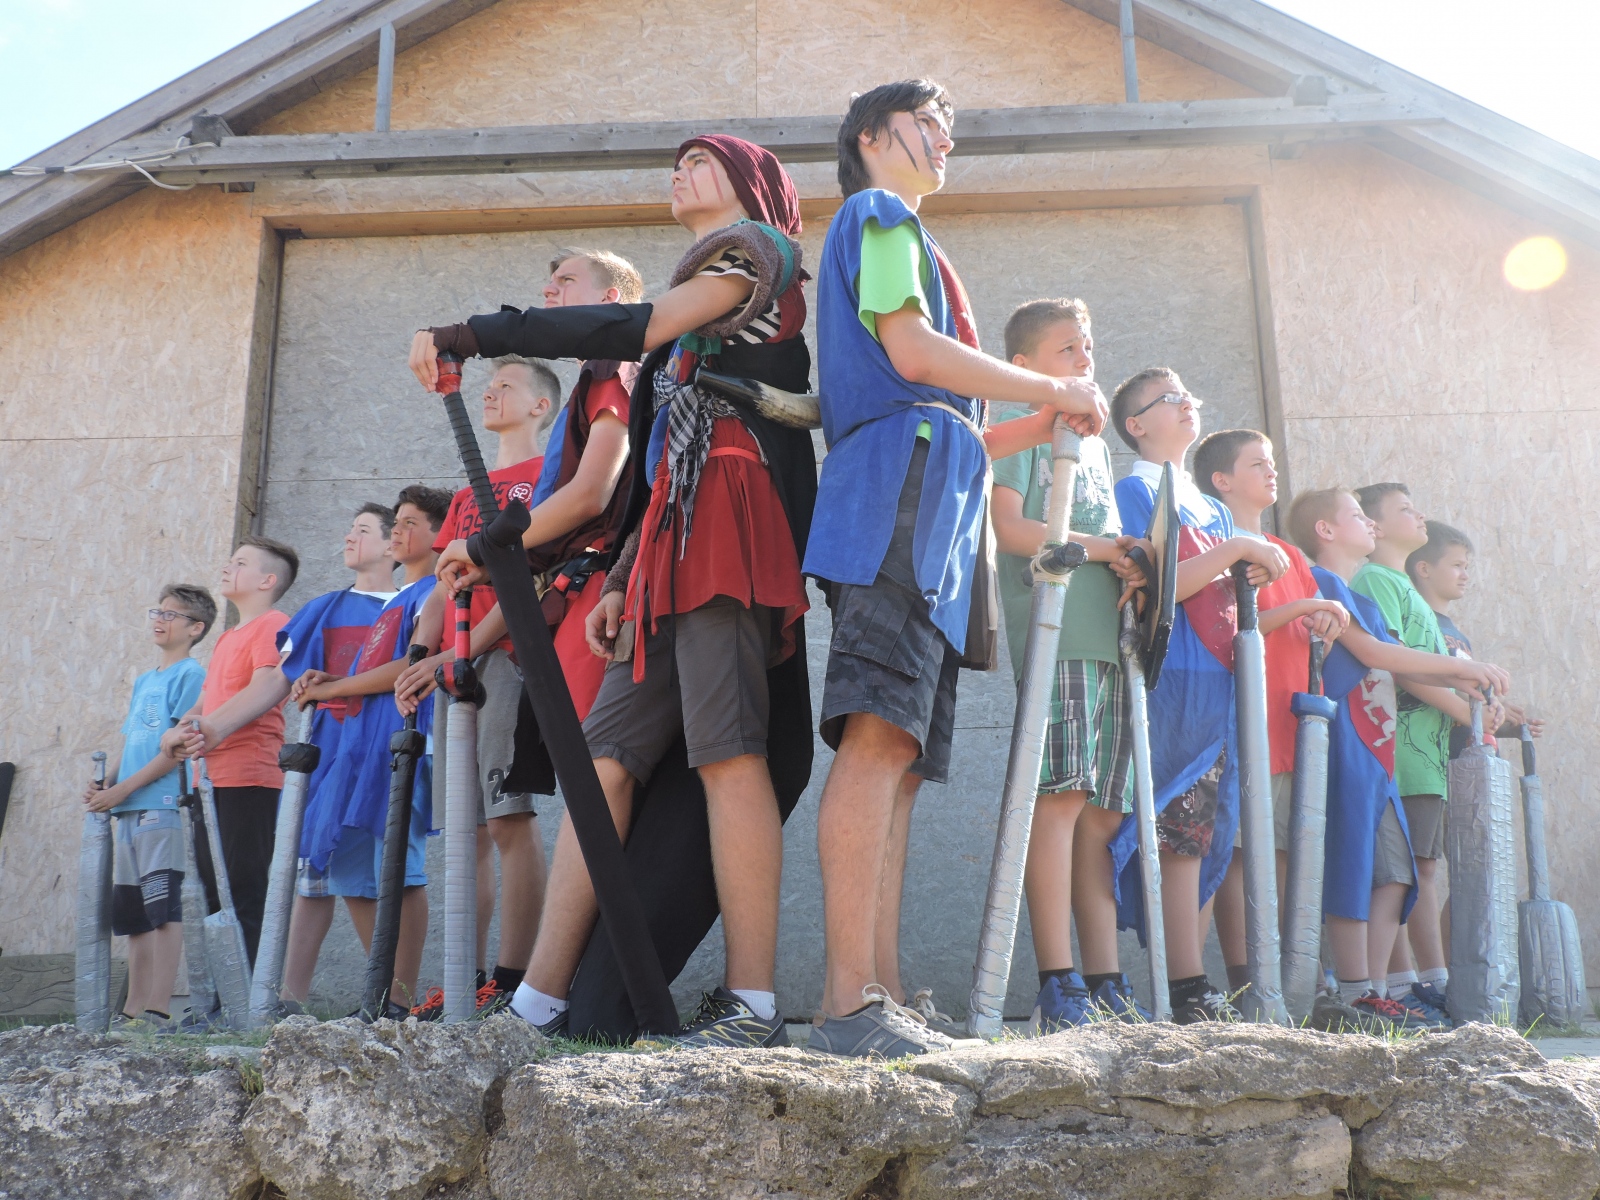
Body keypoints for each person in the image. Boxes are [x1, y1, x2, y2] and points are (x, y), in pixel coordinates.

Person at [410, 134, 820, 1048]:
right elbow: (657, 464)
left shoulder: (757, 252)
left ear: (754, 186)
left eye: (702, 161)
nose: (680, 171)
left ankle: (753, 1006)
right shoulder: (692, 305)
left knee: (728, 753)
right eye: (676, 162)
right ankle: (537, 1003)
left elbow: (635, 329)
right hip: (666, 544)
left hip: (727, 524)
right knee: (604, 762)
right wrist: (624, 574)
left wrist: (481, 332)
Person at [805, 80, 1106, 1058]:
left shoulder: (904, 236)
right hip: (896, 496)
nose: (943, 142)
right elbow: (913, 353)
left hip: (931, 506)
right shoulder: (880, 213)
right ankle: (848, 1003)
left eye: (950, 132)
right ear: (870, 136)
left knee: (900, 759)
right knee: (876, 742)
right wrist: (1053, 385)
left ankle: (881, 996)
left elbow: (956, 417)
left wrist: (1045, 415)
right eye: (926, 125)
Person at [1288, 487, 1508, 1030]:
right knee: (1361, 867)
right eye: (1356, 515)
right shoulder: (1325, 581)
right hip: (1347, 742)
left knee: (1395, 874)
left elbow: (1399, 658)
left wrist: (1464, 682)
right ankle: (1359, 992)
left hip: (1378, 749)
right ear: (1326, 530)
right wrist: (1459, 671)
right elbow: (1376, 655)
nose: (1369, 523)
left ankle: (1375, 990)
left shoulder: (1358, 595)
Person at [1107, 370, 1289, 1024]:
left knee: (1204, 834)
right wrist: (1239, 547)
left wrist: (1255, 562)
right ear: (1136, 425)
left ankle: (1190, 983)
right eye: (1171, 398)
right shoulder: (1135, 489)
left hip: (1221, 681)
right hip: (1175, 680)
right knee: (1175, 830)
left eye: (1190, 394)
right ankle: (1181, 984)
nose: (1188, 403)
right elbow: (1162, 584)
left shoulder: (1210, 507)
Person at [989, 298, 1151, 1030]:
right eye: (1066, 348)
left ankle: (1104, 977)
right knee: (1058, 800)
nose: (1084, 360)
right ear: (1023, 367)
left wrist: (1130, 563)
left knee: (1101, 814)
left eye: (1087, 346)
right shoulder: (1023, 423)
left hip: (1110, 640)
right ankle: (1057, 981)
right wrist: (1108, 550)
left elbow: (1103, 536)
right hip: (1057, 638)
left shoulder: (1098, 446)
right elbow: (1011, 527)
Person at [396, 355, 559, 1015]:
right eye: (487, 385)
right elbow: (442, 587)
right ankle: (464, 980)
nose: (490, 393)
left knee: (507, 819)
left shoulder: (549, 477)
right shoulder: (469, 494)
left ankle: (514, 981)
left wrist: (459, 652)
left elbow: (531, 582)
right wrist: (419, 657)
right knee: (464, 833)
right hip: (455, 668)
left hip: (509, 660)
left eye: (506, 386)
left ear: (541, 406)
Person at [1192, 428, 1349, 1002]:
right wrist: (1309, 605)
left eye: (1271, 462)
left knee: (1282, 849)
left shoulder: (1288, 552)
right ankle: (1247, 979)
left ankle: (1284, 980)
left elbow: (1306, 628)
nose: (1270, 471)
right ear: (1222, 480)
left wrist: (1326, 624)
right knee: (1236, 853)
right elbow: (1234, 626)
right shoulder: (1217, 544)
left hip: (1290, 720)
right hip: (1241, 721)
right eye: (1256, 463)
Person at [285, 486, 454, 1015]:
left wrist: (332, 688)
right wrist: (331, 680)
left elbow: (411, 664)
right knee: (354, 872)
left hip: (402, 745)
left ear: (440, 534)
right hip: (359, 748)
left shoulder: (435, 590)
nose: (397, 531)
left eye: (410, 523)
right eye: (395, 522)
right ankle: (383, 996)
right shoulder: (396, 600)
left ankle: (400, 1000)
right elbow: (372, 670)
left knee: (399, 869)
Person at [1350, 483, 1475, 1022]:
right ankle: (1412, 983)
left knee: (1417, 870)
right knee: (1410, 872)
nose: (1418, 514)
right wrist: (1465, 708)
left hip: (1425, 757)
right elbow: (1398, 664)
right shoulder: (1377, 579)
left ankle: (1412, 982)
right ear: (1374, 527)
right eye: (1404, 509)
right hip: (1402, 756)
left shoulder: (1400, 584)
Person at [161, 537, 299, 974]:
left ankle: (250, 1000)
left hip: (249, 777)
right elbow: (206, 701)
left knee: (242, 891)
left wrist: (212, 728)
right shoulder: (228, 638)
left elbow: (267, 685)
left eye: (240, 563)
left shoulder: (274, 623)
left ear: (267, 580)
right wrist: (180, 728)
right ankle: (222, 999)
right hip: (209, 780)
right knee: (212, 893)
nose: (227, 567)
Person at [85, 584, 215, 1030]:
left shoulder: (191, 675)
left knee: (163, 908)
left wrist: (121, 791)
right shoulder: (145, 680)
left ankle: (158, 1009)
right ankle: (132, 1011)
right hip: (128, 809)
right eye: (157, 611)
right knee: (134, 914)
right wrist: (108, 782)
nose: (159, 619)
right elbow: (131, 742)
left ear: (196, 628)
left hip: (161, 807)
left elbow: (175, 751)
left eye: (171, 614)